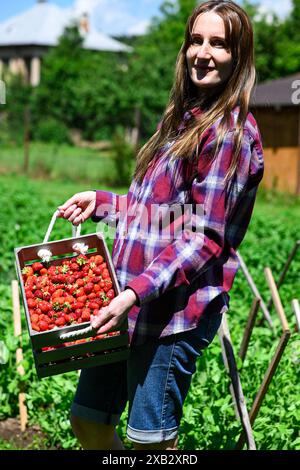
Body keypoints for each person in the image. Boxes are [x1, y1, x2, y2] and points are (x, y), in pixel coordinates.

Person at [58, 0, 264, 450]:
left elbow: (205, 236)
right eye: (196, 40)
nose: (203, 53)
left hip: (172, 314)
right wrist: (105, 202)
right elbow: (160, 210)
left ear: (239, 57)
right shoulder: (182, 119)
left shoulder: (228, 133)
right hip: (125, 304)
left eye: (219, 44)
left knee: (151, 444)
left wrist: (133, 293)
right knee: (88, 423)